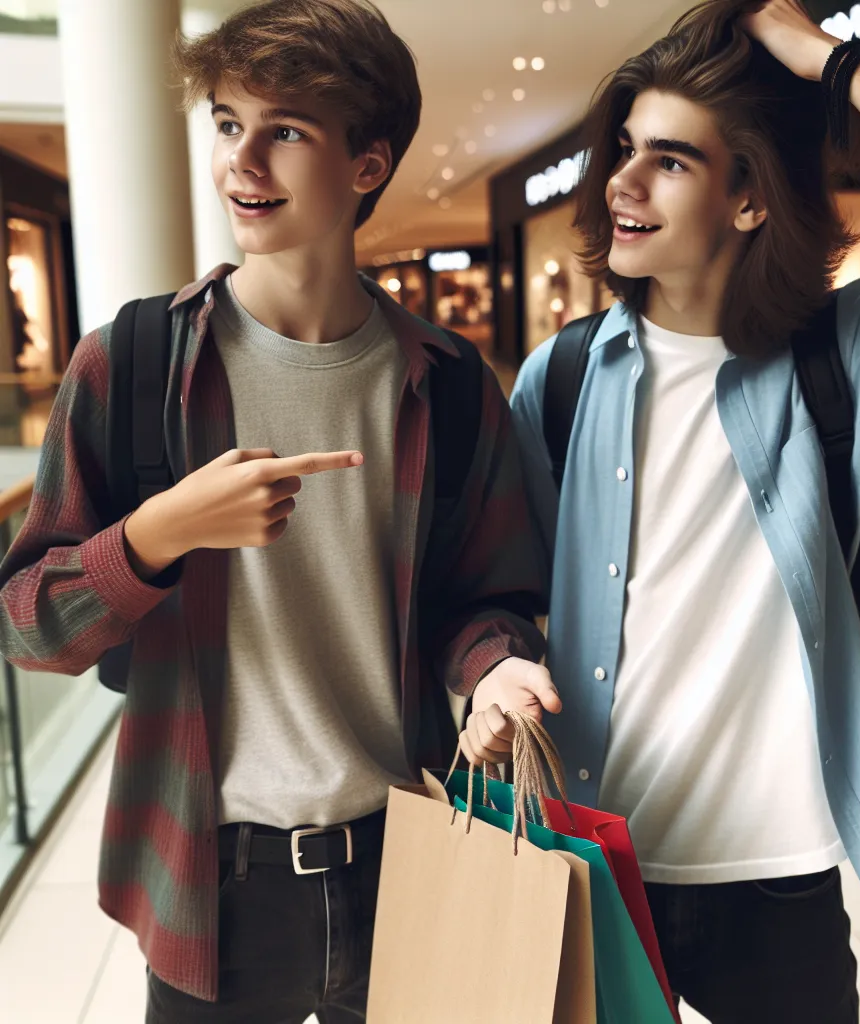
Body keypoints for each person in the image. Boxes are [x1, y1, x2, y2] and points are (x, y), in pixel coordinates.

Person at [460, 1, 860, 1021]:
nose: (621, 183)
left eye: (669, 160)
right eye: (624, 150)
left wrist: (835, 64)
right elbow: (489, 585)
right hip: (587, 852)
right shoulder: (566, 374)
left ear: (750, 197)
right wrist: (490, 671)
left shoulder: (844, 358)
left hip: (775, 876)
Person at [0, 1, 556, 1020]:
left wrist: (493, 668)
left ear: (367, 165)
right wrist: (159, 533)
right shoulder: (128, 364)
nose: (240, 163)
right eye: (225, 123)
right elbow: (27, 623)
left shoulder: (449, 383)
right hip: (215, 878)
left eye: (284, 131)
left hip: (408, 850)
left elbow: (485, 598)